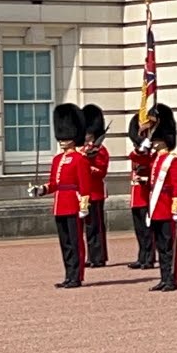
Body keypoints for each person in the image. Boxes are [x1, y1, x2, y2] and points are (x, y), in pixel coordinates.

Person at [27, 104, 91, 289]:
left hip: (73, 203)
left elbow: (84, 185)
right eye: (61, 137)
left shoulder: (80, 159)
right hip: (60, 204)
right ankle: (68, 275)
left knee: (76, 241)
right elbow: (54, 184)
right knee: (65, 243)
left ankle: (77, 276)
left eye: (66, 137)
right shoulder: (57, 159)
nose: (62, 140)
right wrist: (41, 190)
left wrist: (84, 206)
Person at [145, 104, 177, 292]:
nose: (153, 142)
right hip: (155, 208)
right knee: (160, 246)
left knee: (169, 246)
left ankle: (171, 279)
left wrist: (176, 210)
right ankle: (163, 277)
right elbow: (135, 158)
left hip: (167, 207)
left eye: (156, 139)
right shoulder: (155, 159)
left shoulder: (173, 160)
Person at [81, 104, 110, 268]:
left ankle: (99, 257)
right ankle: (91, 255)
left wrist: (89, 166)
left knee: (97, 227)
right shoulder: (84, 150)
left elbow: (101, 172)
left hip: (96, 193)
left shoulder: (101, 150)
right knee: (89, 227)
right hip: (85, 193)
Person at [126, 114, 156, 270]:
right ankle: (142, 256)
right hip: (137, 195)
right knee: (139, 230)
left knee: (147, 230)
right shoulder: (138, 152)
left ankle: (149, 258)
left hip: (146, 195)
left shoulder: (151, 153)